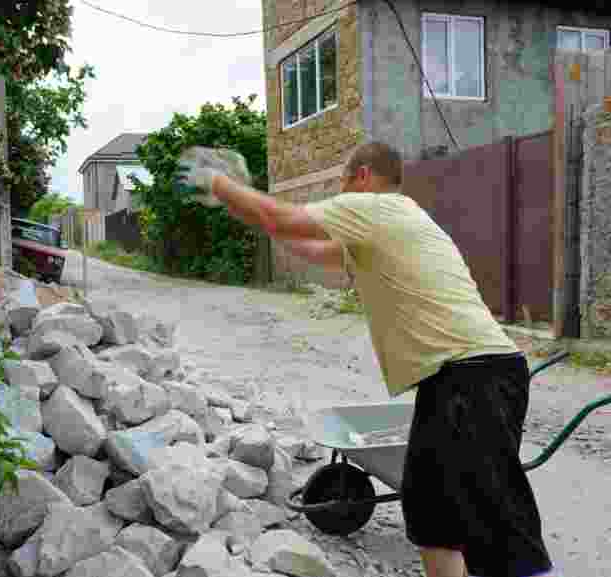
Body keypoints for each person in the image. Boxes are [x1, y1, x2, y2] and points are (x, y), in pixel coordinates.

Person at [174, 142, 555, 577]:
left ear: (362, 176)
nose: (340, 192)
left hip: (474, 373)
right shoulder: (382, 231)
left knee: (495, 518)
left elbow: (281, 218)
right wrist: (236, 201)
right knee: (431, 512)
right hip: (454, 377)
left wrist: (217, 182)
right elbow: (294, 240)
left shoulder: (375, 207)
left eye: (342, 181)